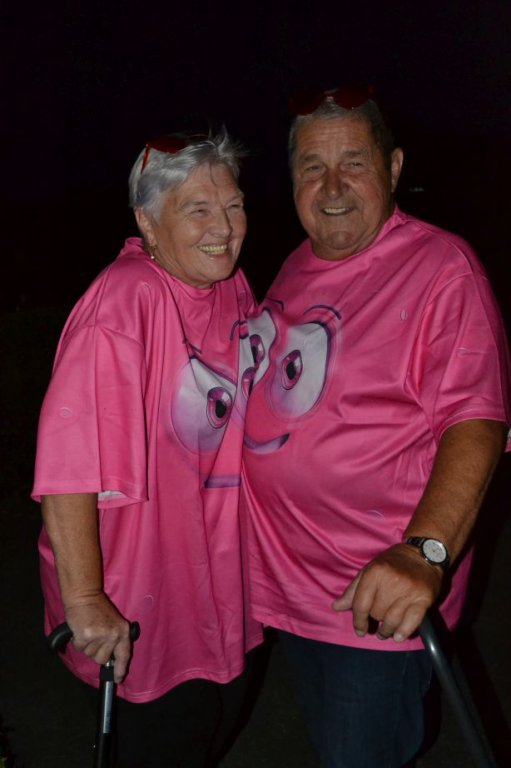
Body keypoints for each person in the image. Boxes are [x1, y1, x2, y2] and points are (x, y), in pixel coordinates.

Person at [241, 85, 511, 768]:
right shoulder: (292, 265)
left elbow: (475, 420)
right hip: (289, 587)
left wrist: (423, 554)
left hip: (374, 593)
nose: (332, 187)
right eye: (312, 167)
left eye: (353, 163)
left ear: (392, 168)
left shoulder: (440, 266)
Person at [32, 130, 263, 767]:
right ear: (147, 221)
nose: (224, 228)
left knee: (214, 729)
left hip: (218, 580)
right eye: (198, 209)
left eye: (234, 205)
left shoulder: (232, 288)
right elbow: (68, 466)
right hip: (141, 598)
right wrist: (86, 601)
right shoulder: (125, 299)